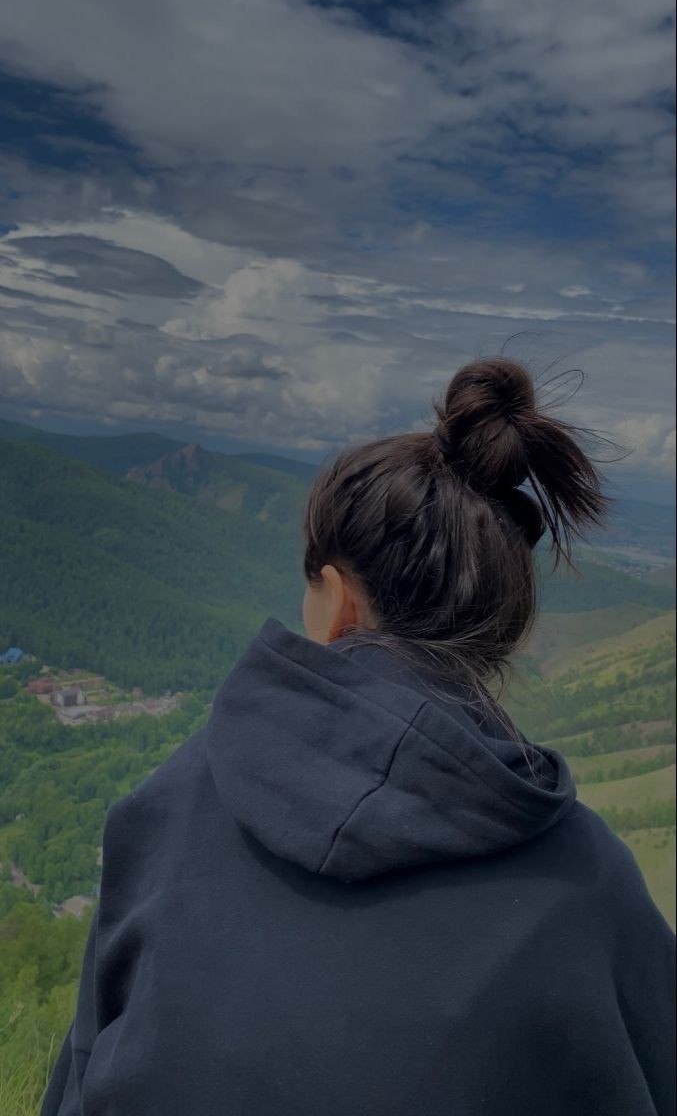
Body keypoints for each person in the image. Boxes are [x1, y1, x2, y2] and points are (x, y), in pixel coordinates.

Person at [42, 358, 675, 1116]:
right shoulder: (590, 885)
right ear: (503, 631)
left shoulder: (168, 804)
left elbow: (82, 1074)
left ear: (339, 602)